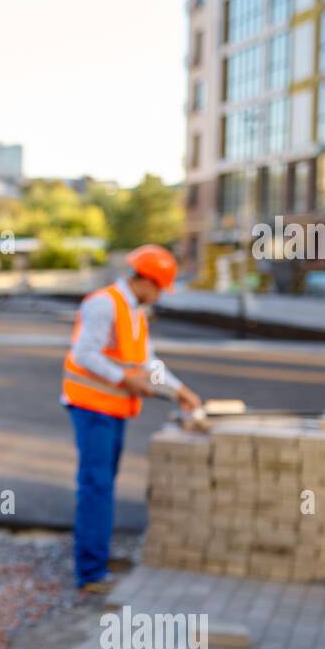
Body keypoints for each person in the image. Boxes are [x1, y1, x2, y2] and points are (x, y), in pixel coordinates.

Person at [60, 244, 201, 596]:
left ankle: (98, 558)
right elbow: (85, 354)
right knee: (97, 486)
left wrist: (178, 390)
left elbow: (147, 364)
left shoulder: (134, 311)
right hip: (91, 407)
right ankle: (90, 572)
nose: (158, 297)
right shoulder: (103, 304)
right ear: (146, 281)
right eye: (158, 289)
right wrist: (126, 381)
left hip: (113, 409)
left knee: (103, 485)